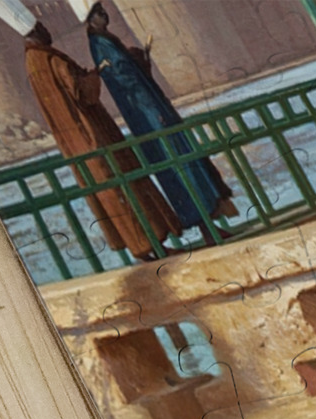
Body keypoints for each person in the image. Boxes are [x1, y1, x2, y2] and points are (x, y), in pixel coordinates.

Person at [21, 21, 182, 261]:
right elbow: (84, 94)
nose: (48, 30)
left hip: (77, 145)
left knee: (111, 195)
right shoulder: (51, 60)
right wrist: (95, 74)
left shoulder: (33, 63)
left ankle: (143, 250)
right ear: (35, 32)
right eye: (42, 27)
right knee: (126, 188)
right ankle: (152, 247)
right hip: (94, 136)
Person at [83, 2, 237, 234]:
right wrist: (153, 108)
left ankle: (209, 225)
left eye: (102, 10)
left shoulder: (105, 41)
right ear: (90, 19)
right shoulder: (100, 44)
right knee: (179, 166)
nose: (104, 15)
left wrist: (138, 62)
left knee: (182, 164)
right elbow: (127, 82)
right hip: (149, 115)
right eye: (98, 12)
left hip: (151, 112)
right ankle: (207, 228)